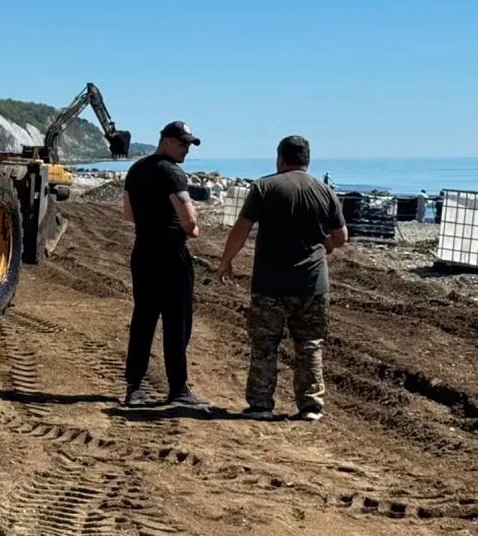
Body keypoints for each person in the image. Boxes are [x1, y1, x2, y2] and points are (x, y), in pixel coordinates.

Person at [214, 135, 348, 421]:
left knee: (265, 346)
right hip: (312, 284)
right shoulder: (325, 191)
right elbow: (341, 237)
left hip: (269, 284)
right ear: (307, 160)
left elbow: (242, 228)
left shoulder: (265, 187)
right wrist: (325, 245)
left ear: (280, 158)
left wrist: (227, 260)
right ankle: (311, 406)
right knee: (310, 345)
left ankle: (261, 404)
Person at [119, 120, 209, 408]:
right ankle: (178, 388)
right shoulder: (173, 173)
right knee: (177, 322)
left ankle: (134, 387)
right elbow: (190, 220)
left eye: (188, 145)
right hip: (171, 253)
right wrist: (191, 231)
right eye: (182, 143)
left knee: (143, 319)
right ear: (166, 141)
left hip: (143, 251)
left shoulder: (136, 170)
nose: (185, 149)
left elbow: (128, 214)